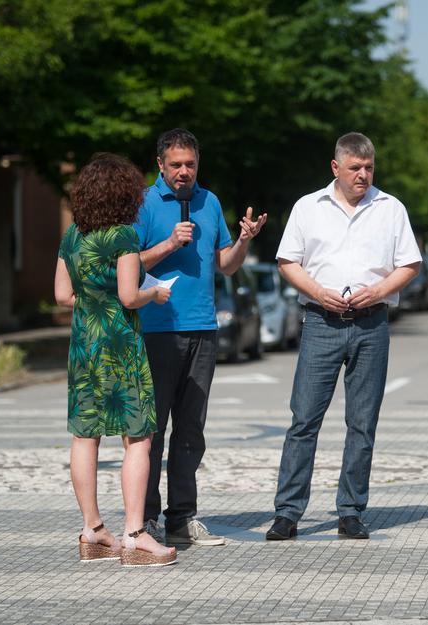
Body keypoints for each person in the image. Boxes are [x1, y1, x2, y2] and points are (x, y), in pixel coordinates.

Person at [266, 132, 421, 541]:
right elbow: (287, 261)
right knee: (304, 419)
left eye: (369, 168)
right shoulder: (307, 208)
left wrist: (381, 290)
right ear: (336, 168)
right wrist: (318, 292)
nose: (363, 175)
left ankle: (351, 510)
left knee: (362, 422)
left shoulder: (391, 208)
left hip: (372, 323)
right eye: (355, 168)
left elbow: (409, 263)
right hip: (321, 322)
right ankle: (287, 512)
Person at [134, 128, 266, 547]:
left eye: (190, 164)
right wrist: (169, 243)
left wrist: (243, 241)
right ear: (160, 164)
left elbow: (225, 264)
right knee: (151, 432)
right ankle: (148, 518)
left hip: (203, 329)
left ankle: (183, 518)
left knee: (191, 430)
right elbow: (128, 263)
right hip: (156, 329)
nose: (184, 172)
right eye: (175, 165)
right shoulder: (143, 203)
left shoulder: (209, 203)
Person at [55, 153, 177, 567]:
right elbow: (128, 296)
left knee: (85, 435)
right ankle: (135, 535)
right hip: (120, 345)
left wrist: (91, 301)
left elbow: (60, 295)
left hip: (83, 344)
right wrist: (154, 294)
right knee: (138, 437)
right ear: (124, 194)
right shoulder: (123, 236)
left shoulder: (73, 235)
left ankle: (92, 530)